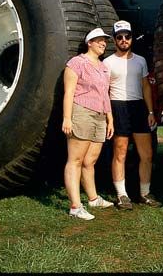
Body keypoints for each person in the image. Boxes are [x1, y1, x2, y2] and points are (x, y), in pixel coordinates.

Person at [103, 20, 161, 210]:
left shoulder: (141, 60)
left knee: (147, 154)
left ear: (131, 38)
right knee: (120, 152)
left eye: (127, 36)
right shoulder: (108, 62)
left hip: (139, 108)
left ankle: (145, 193)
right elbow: (104, 91)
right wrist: (109, 116)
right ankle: (122, 195)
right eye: (119, 37)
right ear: (114, 40)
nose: (124, 40)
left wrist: (150, 111)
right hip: (118, 106)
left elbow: (145, 86)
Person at [62, 27, 115, 220]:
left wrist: (110, 119)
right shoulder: (76, 63)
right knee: (75, 160)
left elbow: (105, 95)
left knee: (90, 161)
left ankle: (93, 198)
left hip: (100, 116)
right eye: (99, 40)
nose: (103, 43)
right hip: (82, 113)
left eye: (105, 41)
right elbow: (69, 92)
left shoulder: (103, 67)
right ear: (89, 43)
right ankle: (75, 206)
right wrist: (67, 118)